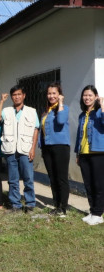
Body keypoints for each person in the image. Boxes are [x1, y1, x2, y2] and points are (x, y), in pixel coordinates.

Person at [0, 85, 39, 212]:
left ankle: (30, 203)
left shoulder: (32, 111)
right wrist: (2, 101)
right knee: (13, 180)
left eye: (19, 94)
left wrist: (33, 148)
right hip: (10, 149)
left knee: (28, 178)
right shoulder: (6, 111)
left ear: (24, 95)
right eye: (14, 95)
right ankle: (16, 204)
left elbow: (36, 130)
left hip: (25, 149)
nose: (17, 97)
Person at [75, 85, 104, 226]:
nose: (87, 98)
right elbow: (79, 136)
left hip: (98, 153)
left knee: (98, 184)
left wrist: (103, 106)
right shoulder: (82, 115)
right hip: (84, 153)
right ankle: (92, 211)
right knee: (88, 184)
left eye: (90, 95)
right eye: (85, 95)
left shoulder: (99, 112)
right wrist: (78, 153)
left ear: (96, 97)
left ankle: (98, 214)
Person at [40, 83, 70, 217]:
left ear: (59, 95)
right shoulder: (46, 111)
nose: (51, 96)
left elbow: (61, 120)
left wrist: (61, 102)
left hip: (60, 147)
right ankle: (56, 205)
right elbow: (42, 130)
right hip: (47, 148)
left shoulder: (64, 109)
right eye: (49, 93)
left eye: (54, 93)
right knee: (52, 177)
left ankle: (63, 207)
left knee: (61, 178)